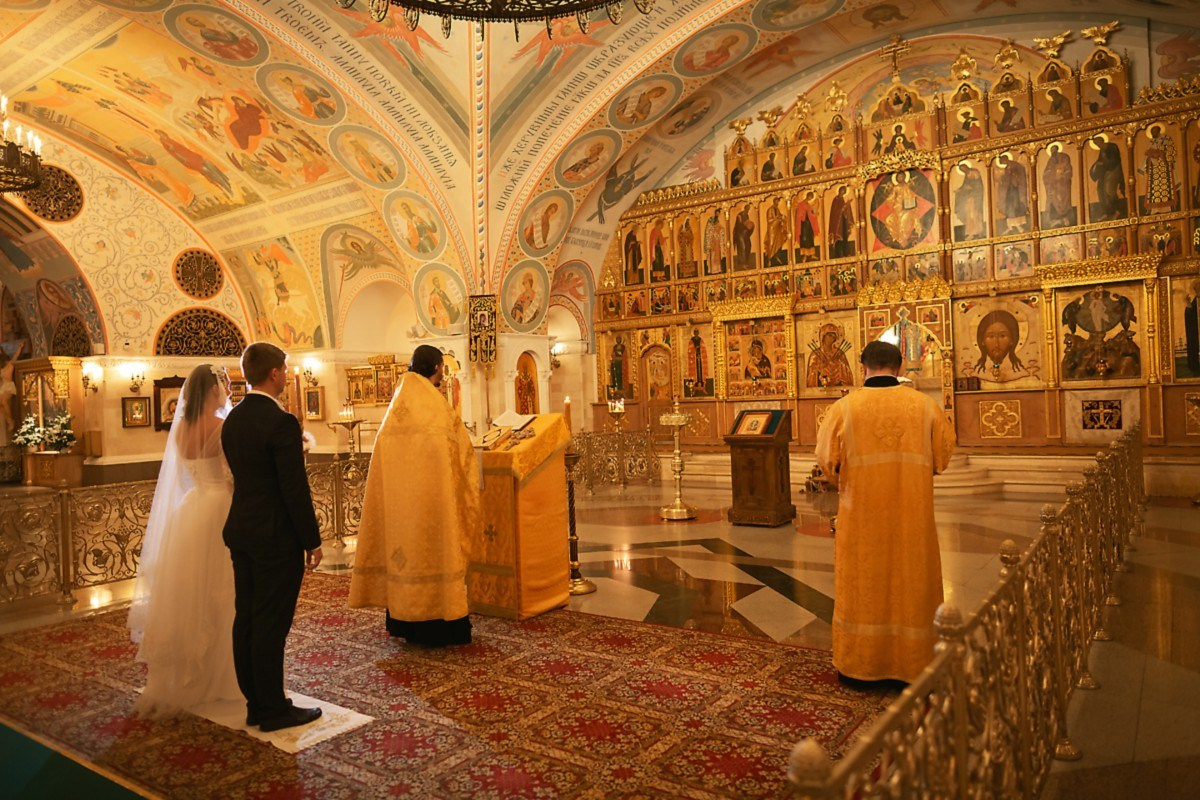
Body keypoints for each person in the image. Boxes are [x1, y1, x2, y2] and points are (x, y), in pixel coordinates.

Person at [815, 341, 955, 683]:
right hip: (912, 516)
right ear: (900, 366)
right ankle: (914, 662)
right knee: (912, 582)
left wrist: (845, 479)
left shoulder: (844, 408)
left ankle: (861, 664)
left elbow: (826, 461)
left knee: (865, 583)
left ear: (863, 367)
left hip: (861, 519)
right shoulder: (925, 407)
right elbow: (943, 455)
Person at [129, 364, 241, 717]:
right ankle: (224, 679)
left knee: (190, 591)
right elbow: (230, 478)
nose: (225, 391)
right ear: (212, 392)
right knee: (223, 592)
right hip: (220, 507)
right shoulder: (221, 428)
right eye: (222, 386)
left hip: (191, 509)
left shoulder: (182, 431)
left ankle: (189, 673)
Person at [222, 343, 323, 732]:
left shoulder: (234, 418)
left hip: (242, 530)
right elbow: (292, 489)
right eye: (285, 368)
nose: (287, 374)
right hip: (275, 537)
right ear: (276, 373)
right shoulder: (281, 423)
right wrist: (311, 540)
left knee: (246, 617)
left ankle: (256, 702)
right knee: (271, 625)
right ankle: (273, 708)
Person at [349, 345, 481, 646]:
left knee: (403, 557)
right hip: (434, 507)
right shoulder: (437, 409)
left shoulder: (396, 407)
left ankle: (403, 621)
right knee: (436, 554)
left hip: (399, 510)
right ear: (436, 368)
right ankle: (440, 626)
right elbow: (462, 457)